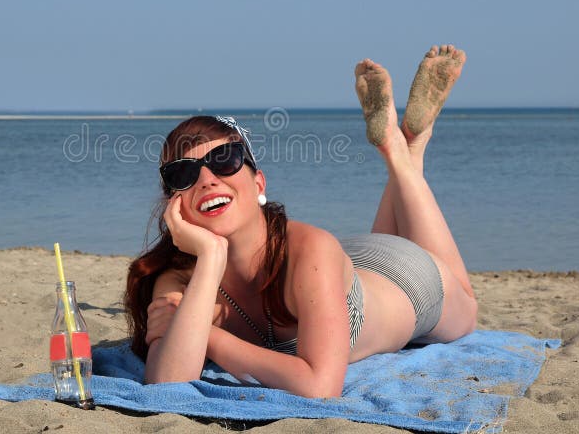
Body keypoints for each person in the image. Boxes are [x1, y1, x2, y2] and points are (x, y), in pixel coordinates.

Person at [124, 45, 477, 398]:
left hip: (407, 279)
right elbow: (166, 386)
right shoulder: (180, 276)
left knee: (467, 312)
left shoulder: (311, 248)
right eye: (183, 173)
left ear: (258, 183)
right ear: (174, 202)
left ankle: (405, 151)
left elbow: (321, 387)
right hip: (349, 264)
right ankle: (401, 148)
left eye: (224, 160)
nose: (206, 179)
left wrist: (207, 335)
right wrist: (211, 256)